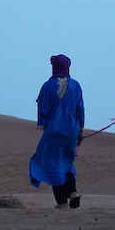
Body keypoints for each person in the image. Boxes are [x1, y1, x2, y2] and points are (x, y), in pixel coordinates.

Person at [29, 54, 85, 209]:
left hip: (53, 130)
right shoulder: (76, 85)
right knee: (67, 162)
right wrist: (80, 130)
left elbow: (43, 109)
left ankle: (61, 202)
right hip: (71, 131)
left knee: (51, 162)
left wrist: (43, 125)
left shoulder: (47, 86)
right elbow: (80, 109)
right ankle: (72, 192)